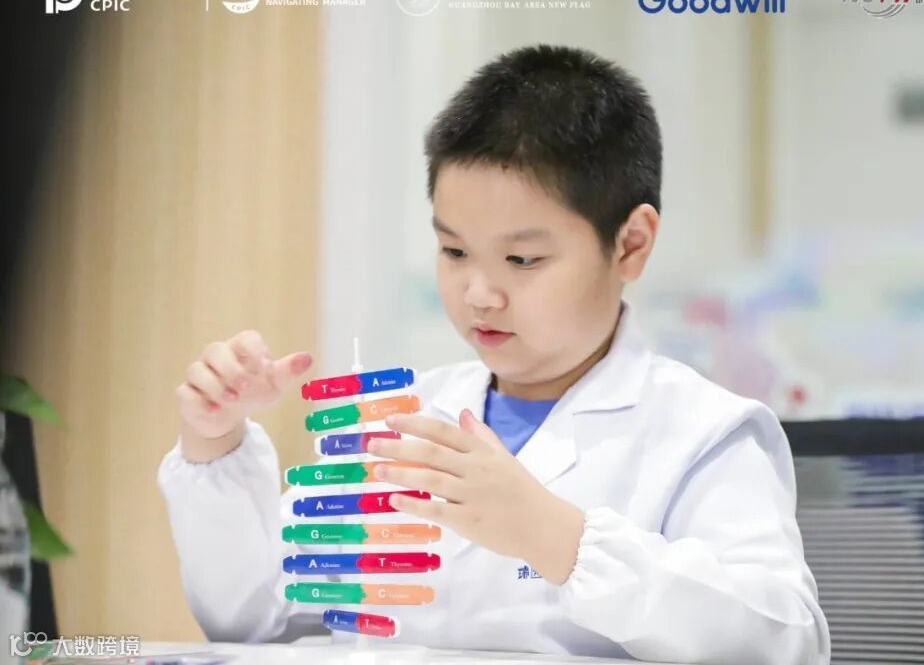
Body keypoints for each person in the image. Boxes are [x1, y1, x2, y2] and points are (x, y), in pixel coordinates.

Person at [158, 44, 830, 664]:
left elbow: (784, 642)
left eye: (522, 259)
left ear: (630, 244)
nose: (479, 293)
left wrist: (557, 539)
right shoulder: (401, 420)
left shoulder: (702, 434)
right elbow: (257, 625)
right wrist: (215, 443)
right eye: (454, 251)